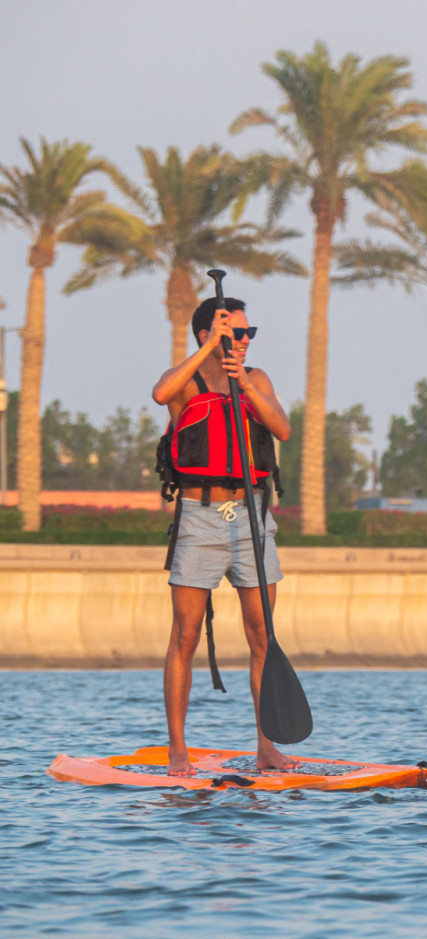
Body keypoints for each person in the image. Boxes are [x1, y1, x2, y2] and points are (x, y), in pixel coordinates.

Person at [152, 296, 292, 777]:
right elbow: (159, 394)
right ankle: (177, 751)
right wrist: (210, 345)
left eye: (250, 333)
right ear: (208, 335)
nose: (246, 340)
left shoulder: (257, 378)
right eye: (237, 333)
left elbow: (281, 428)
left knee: (263, 636)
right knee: (185, 636)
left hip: (253, 515)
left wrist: (244, 383)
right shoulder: (184, 381)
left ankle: (267, 748)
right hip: (200, 515)